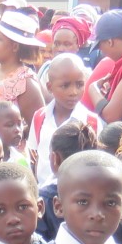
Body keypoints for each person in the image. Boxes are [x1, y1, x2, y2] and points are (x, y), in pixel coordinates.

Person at [28, 54, 97, 186]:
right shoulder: (40, 117)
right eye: (65, 86)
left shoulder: (91, 122)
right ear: (49, 87)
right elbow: (33, 158)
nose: (73, 92)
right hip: (43, 194)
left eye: (79, 84)